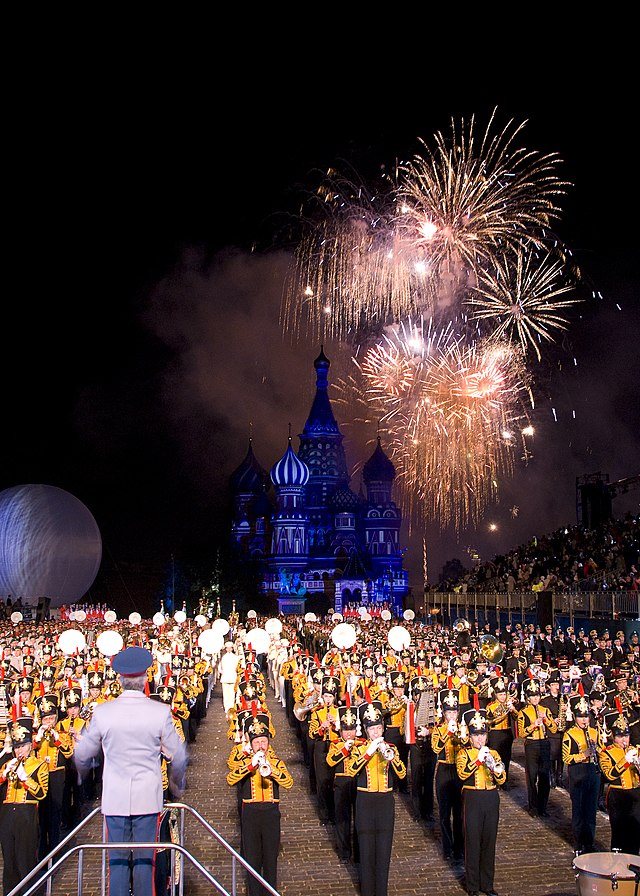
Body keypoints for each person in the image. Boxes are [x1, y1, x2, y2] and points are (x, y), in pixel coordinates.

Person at [74, 646, 188, 896]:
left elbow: (82, 754)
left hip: (115, 798)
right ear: (145, 679)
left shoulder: (103, 712)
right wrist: (176, 782)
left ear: (120, 681)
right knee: (145, 865)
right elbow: (178, 755)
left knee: (117, 865)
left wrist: (86, 772)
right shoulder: (160, 711)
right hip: (147, 797)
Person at [226, 706, 293, 896]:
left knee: (271, 859)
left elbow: (289, 782)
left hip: (271, 813)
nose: (261, 746)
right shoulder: (245, 761)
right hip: (251, 813)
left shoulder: (276, 761)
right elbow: (230, 779)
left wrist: (273, 771)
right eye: (257, 742)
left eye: (264, 741)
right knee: (252, 859)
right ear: (251, 744)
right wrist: (250, 765)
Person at [347, 699, 406, 896]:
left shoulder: (391, 748)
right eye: (371, 729)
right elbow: (352, 770)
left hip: (385, 802)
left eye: (378, 728)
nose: (375, 732)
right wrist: (368, 752)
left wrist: (391, 758)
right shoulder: (358, 748)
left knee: (383, 850)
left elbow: (402, 773)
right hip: (365, 801)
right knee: (366, 849)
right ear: (365, 730)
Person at [456, 708, 505, 896]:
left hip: (491, 797)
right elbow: (462, 774)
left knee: (489, 841)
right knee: (473, 841)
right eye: (476, 736)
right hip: (472, 798)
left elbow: (502, 779)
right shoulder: (464, 753)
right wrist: (478, 761)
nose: (480, 739)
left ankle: (487, 884)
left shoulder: (494, 753)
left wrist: (494, 767)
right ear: (470, 737)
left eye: (482, 735)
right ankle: (473, 885)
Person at [0, 715, 49, 896]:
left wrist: (25, 778)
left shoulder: (38, 765)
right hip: (7, 813)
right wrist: (4, 773)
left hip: (26, 813)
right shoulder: (8, 763)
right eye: (17, 746)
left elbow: (42, 793)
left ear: (30, 745)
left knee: (25, 859)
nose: (20, 750)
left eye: (23, 746)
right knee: (9, 861)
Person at [561, 693, 601, 855]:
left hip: (593, 771)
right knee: (579, 809)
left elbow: (600, 751)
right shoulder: (569, 734)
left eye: (586, 717)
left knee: (591, 809)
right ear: (575, 718)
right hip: (578, 772)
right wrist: (583, 755)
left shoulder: (594, 732)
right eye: (580, 717)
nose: (584, 720)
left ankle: (589, 841)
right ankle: (579, 843)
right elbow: (566, 757)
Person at [598, 709, 640, 854]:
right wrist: (626, 761)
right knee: (619, 831)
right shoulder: (606, 752)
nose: (624, 740)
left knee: (636, 831)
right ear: (613, 736)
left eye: (626, 736)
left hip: (635, 793)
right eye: (620, 736)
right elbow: (610, 775)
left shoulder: (634, 749)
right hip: (618, 794)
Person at [431, 686, 465, 862]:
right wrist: (447, 733)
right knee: (444, 814)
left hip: (459, 771)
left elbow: (467, 744)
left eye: (454, 712)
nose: (451, 716)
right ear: (444, 714)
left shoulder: (463, 727)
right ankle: (447, 848)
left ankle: (459, 847)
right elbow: (436, 748)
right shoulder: (438, 729)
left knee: (459, 812)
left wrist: (459, 732)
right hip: (444, 770)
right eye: (448, 713)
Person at [516, 677, 557, 817]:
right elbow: (521, 733)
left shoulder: (545, 710)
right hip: (532, 744)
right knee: (532, 776)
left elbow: (553, 728)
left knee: (544, 777)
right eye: (532, 696)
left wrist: (545, 719)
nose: (535, 699)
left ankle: (543, 807)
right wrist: (533, 726)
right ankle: (533, 806)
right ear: (528, 698)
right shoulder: (523, 712)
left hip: (544, 743)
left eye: (537, 696)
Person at [219, 641, 240, 716]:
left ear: (232, 648)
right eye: (227, 648)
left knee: (231, 693)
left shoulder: (235, 657)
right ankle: (227, 707)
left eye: (230, 648)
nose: (228, 649)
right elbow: (220, 667)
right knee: (226, 693)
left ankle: (230, 707)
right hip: (225, 677)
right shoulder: (224, 657)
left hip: (232, 677)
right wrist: (222, 672)